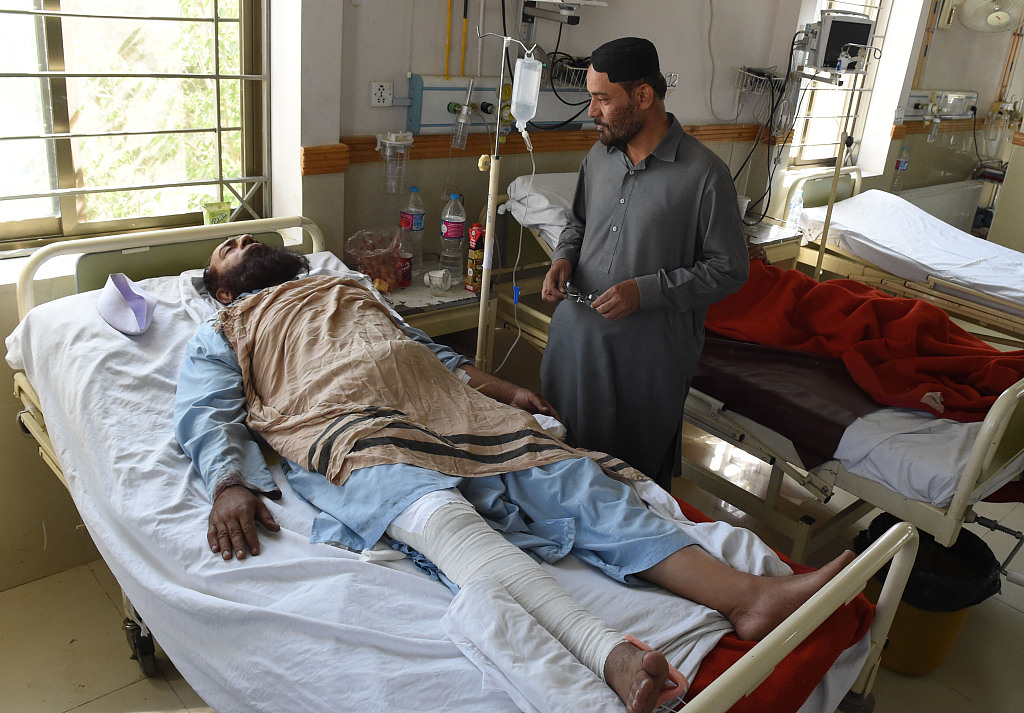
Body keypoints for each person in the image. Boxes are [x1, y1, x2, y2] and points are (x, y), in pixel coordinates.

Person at [175, 235, 853, 713]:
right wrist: (229, 482)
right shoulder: (228, 325)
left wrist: (503, 389)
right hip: (347, 424)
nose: (244, 240)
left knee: (573, 481)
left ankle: (745, 595)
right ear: (223, 287)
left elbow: (424, 351)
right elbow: (206, 410)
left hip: (450, 405)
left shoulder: (348, 286)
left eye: (250, 236)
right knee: (440, 515)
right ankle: (608, 654)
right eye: (229, 247)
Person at [540, 37, 750, 492]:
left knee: (630, 485)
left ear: (642, 96)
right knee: (561, 467)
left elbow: (729, 268)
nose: (592, 112)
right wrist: (563, 257)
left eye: (602, 99)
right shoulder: (599, 158)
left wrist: (646, 291)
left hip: (644, 360)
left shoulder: (703, 174)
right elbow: (577, 224)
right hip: (574, 346)